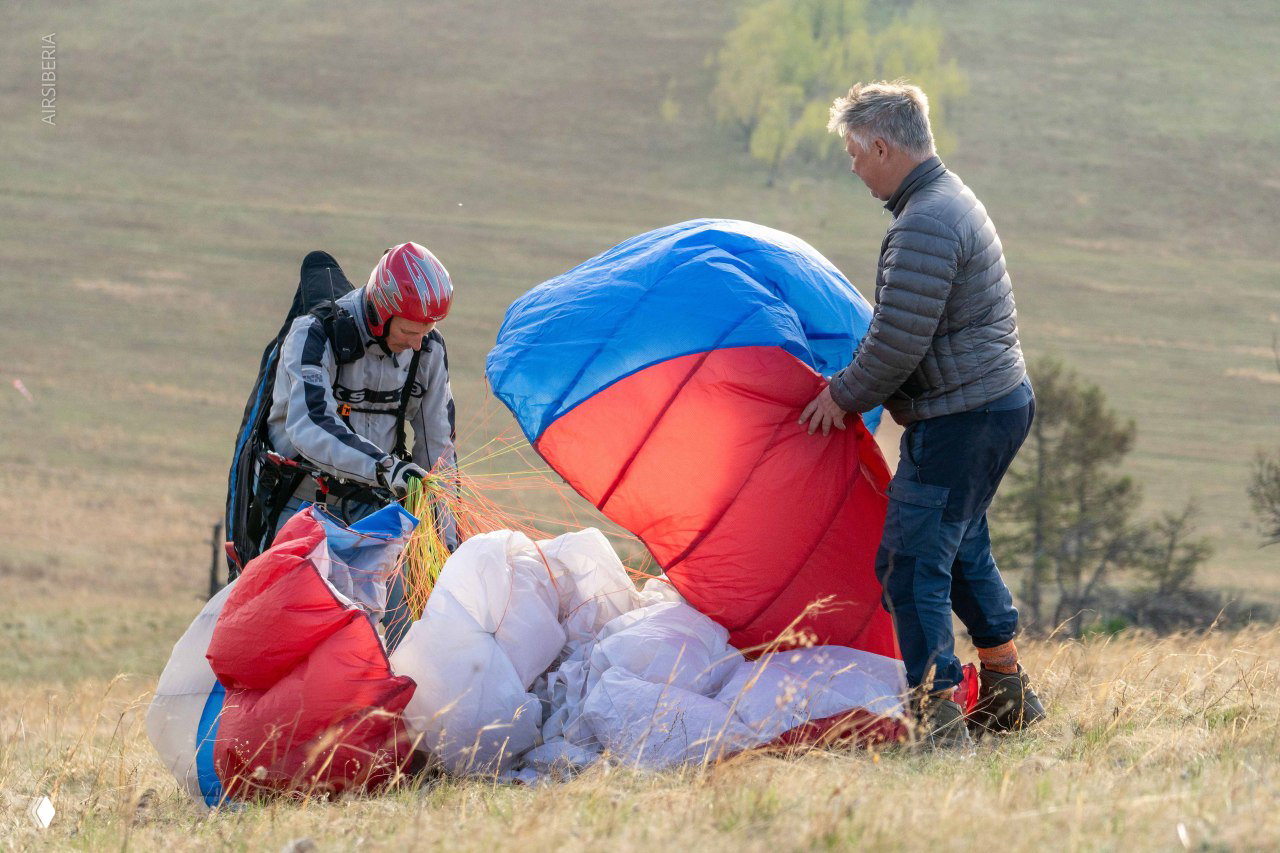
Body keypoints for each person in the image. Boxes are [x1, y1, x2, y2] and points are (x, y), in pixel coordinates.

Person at [799, 81, 1045, 747]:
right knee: (960, 548)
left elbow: (897, 343)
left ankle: (939, 720)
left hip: (962, 417)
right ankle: (1008, 694)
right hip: (992, 406)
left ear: (882, 145)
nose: (853, 167)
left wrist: (840, 396)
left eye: (855, 153)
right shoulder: (945, 199)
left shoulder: (926, 223)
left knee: (910, 562)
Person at [268, 241, 459, 648]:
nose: (416, 343)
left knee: (410, 633)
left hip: (377, 513)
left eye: (425, 332)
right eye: (408, 330)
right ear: (381, 311)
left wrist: (447, 537)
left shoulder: (428, 348)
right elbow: (310, 426)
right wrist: (386, 469)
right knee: (299, 638)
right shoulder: (314, 336)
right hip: (303, 509)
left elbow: (438, 444)